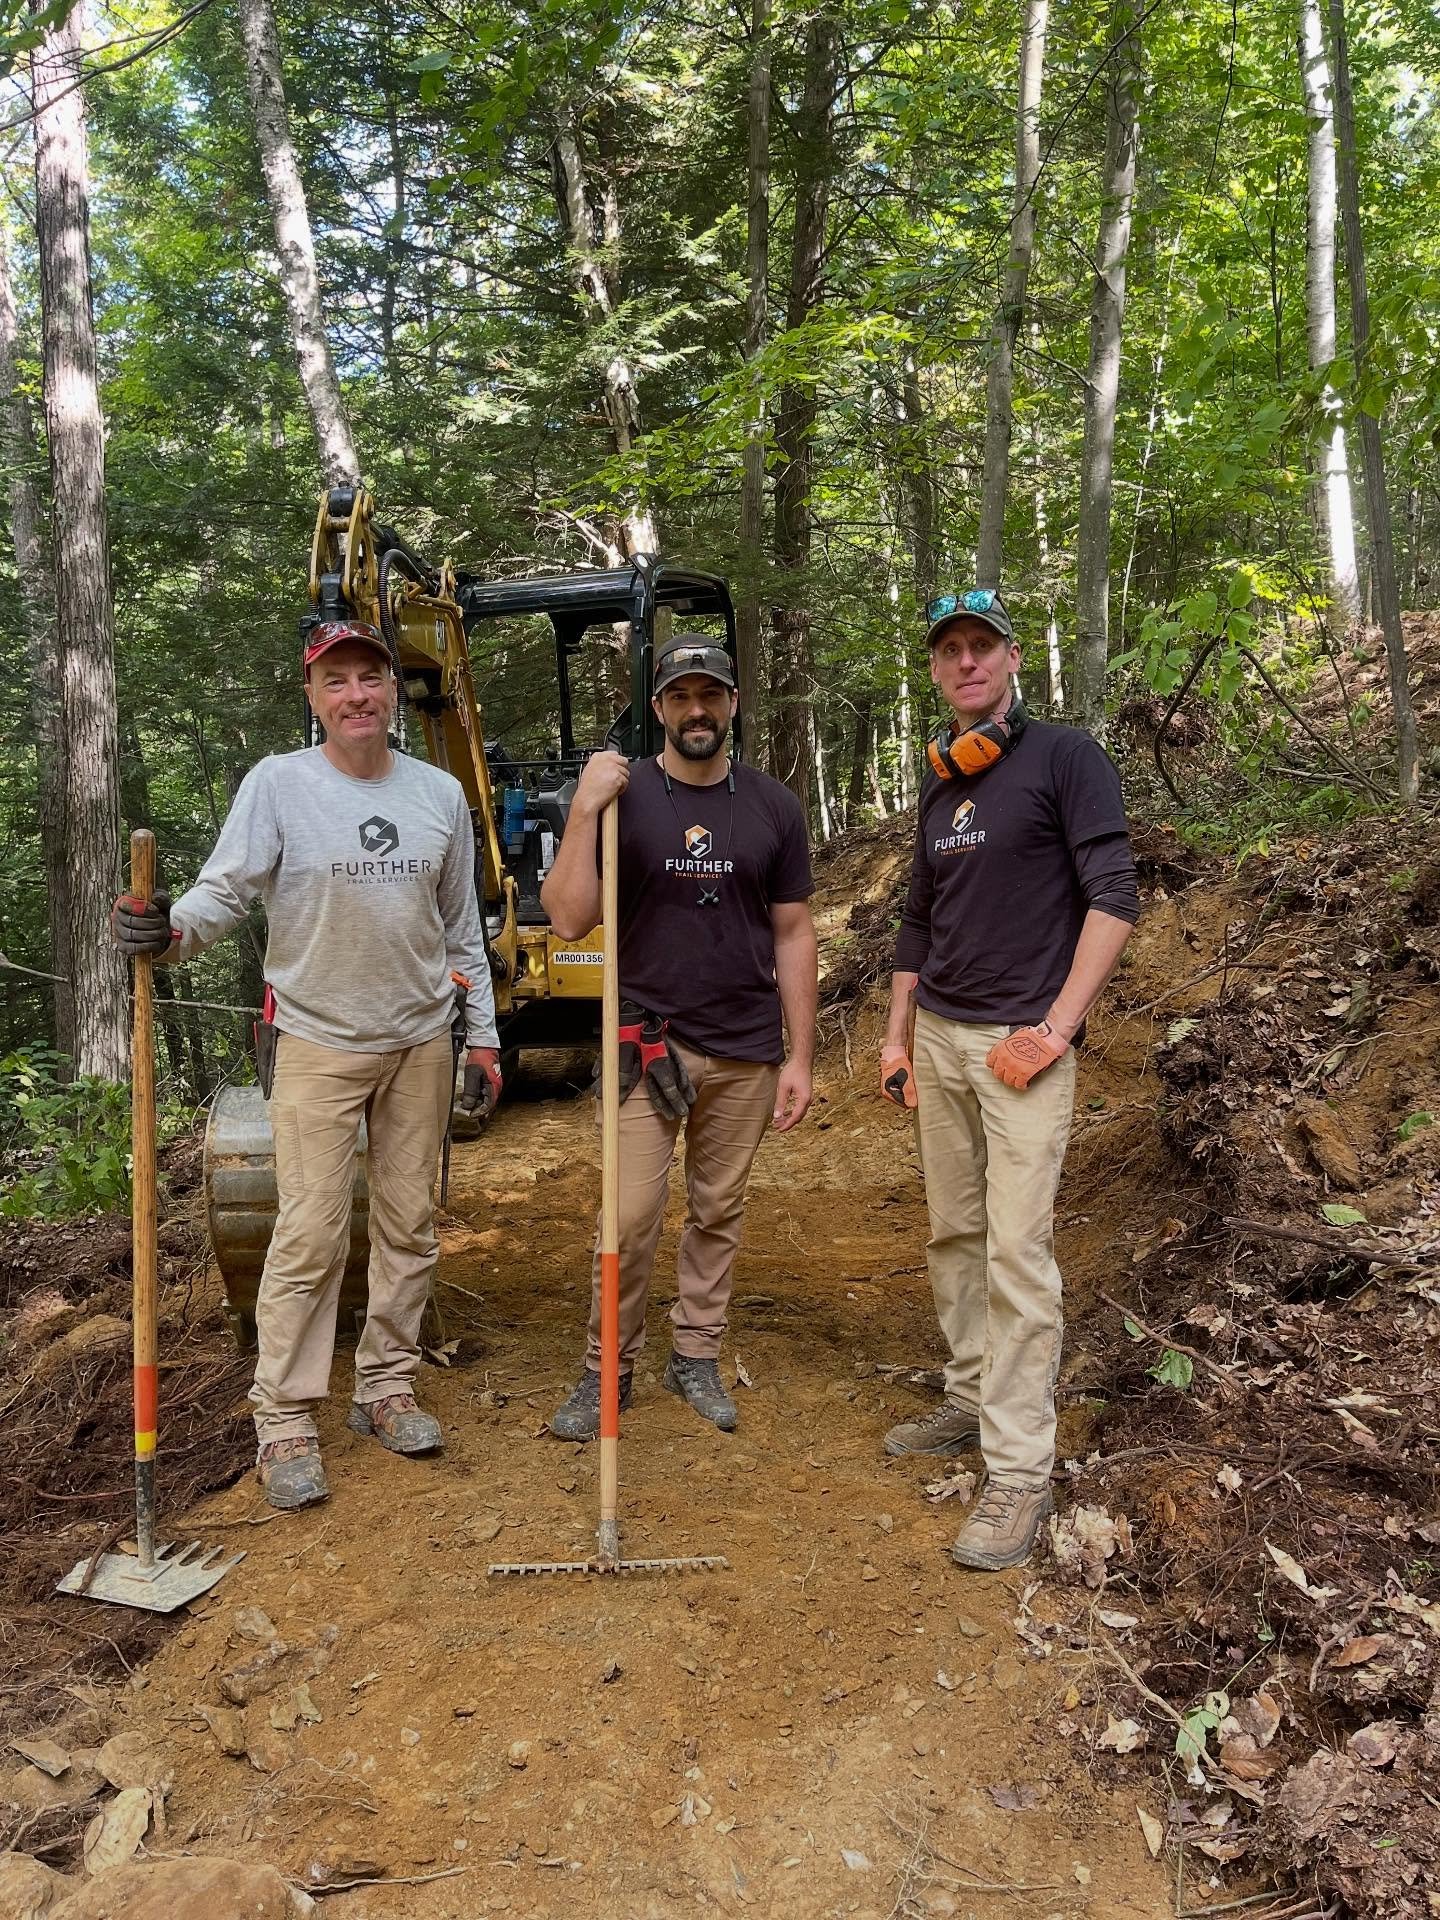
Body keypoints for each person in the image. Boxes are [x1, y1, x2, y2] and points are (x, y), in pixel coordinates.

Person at [110, 620, 501, 1510]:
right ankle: (283, 1415)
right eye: (337, 682)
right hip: (318, 1040)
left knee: (408, 1224)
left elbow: (460, 932)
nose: (356, 694)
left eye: (371, 677)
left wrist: (482, 1036)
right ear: (313, 696)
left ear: (394, 691)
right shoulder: (279, 785)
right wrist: (168, 932)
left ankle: (385, 1387)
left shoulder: (439, 794)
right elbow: (224, 887)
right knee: (312, 1231)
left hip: (418, 1042)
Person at [880, 589, 1138, 1570]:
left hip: (1021, 1049)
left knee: (1018, 1256)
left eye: (981, 646)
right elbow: (917, 916)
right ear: (938, 674)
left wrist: (1057, 1028)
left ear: (1014, 657)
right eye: (949, 651)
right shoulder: (941, 781)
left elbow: (1114, 898)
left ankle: (1020, 1470)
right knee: (955, 1231)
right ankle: (968, 1395)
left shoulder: (1067, 759)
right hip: (941, 1040)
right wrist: (896, 1035)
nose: (966, 663)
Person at [540, 631, 817, 1438]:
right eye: (680, 696)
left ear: (733, 703)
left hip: (746, 1047)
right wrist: (586, 805)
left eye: (712, 694)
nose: (697, 710)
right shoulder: (625, 796)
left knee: (718, 1210)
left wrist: (800, 1055)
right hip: (645, 1043)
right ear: (657, 707)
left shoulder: (774, 806)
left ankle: (694, 1352)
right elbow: (566, 917)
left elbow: (794, 930)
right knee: (625, 1217)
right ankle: (606, 1368)